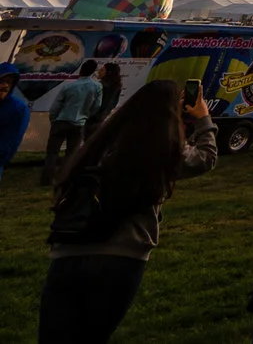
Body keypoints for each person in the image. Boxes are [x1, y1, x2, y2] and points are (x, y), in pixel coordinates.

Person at [40, 79, 216, 343]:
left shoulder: (101, 139)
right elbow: (206, 157)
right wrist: (203, 118)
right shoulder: (159, 148)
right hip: (120, 256)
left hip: (69, 248)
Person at [45, 61, 104, 185]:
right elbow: (97, 105)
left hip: (61, 120)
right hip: (79, 123)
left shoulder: (68, 86)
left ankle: (47, 179)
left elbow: (56, 106)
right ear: (93, 71)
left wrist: (53, 118)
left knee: (52, 152)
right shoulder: (97, 86)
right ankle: (63, 177)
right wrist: (86, 115)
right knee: (70, 154)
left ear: (81, 70)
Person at [1, 68, 31, 183]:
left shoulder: (18, 108)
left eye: (9, 82)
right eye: (1, 81)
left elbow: (11, 142)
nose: (4, 86)